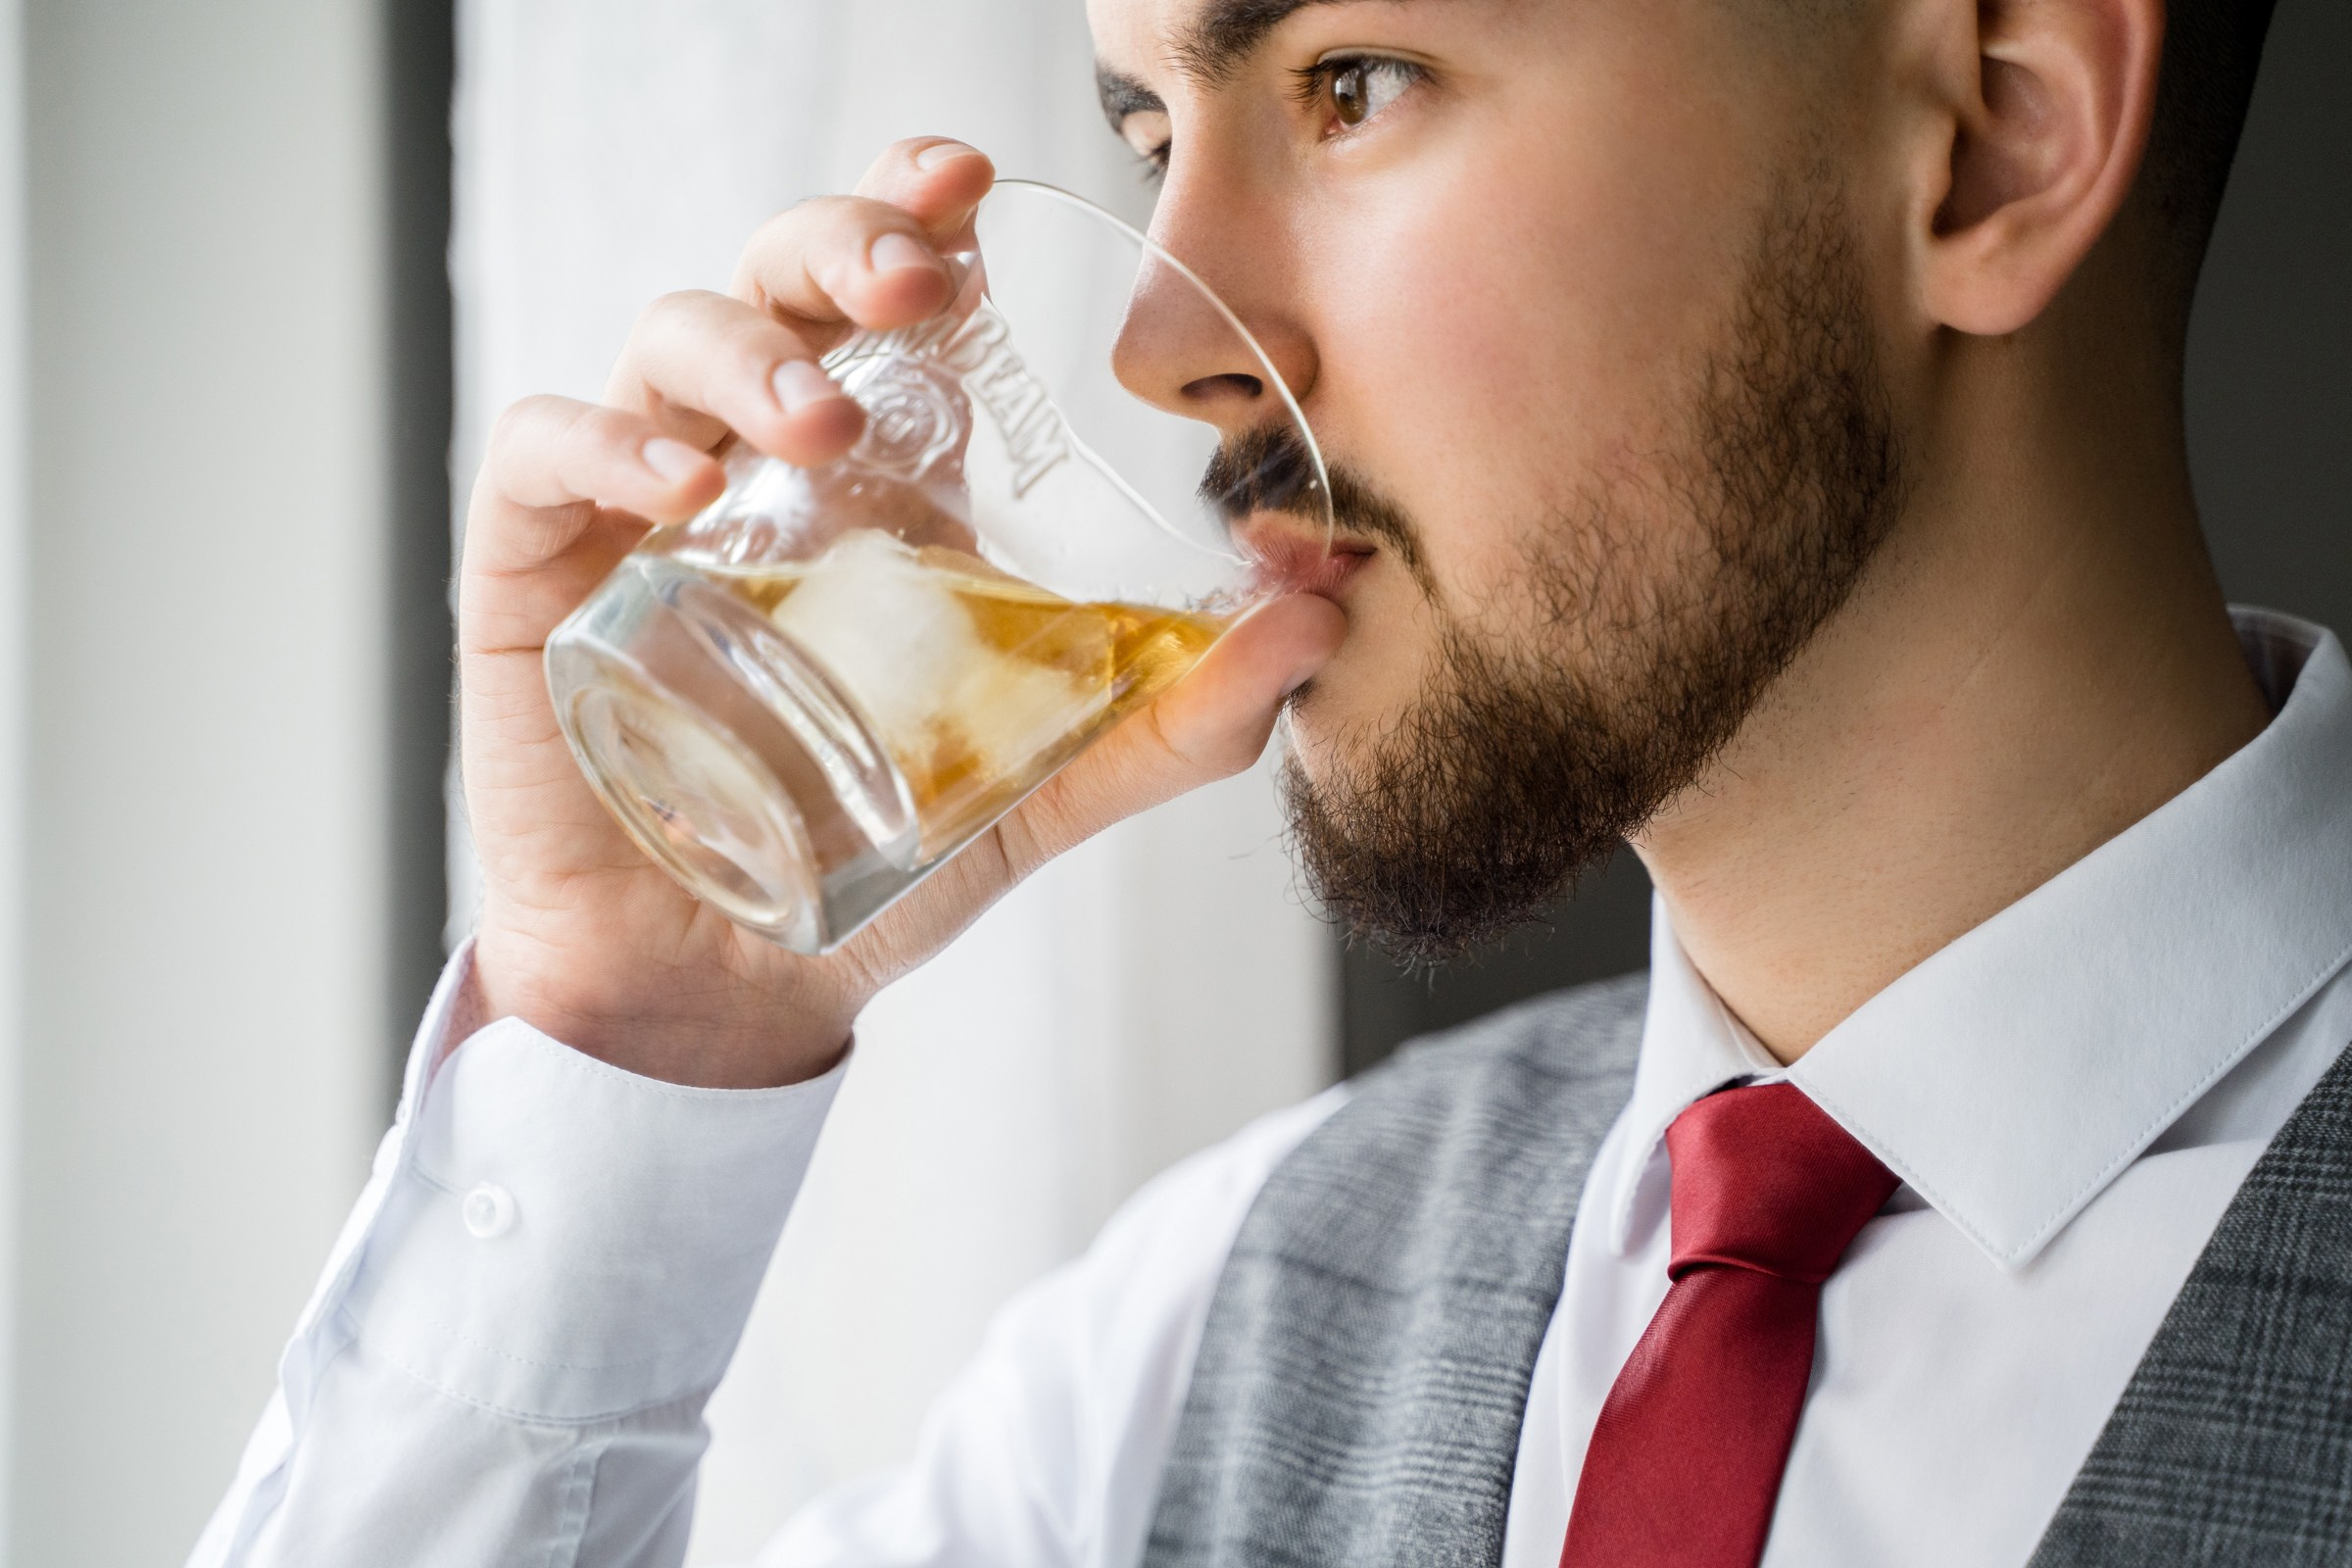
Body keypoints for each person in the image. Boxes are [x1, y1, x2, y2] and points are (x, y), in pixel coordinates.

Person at [190, 0, 2333, 1562]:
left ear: (1993, 138)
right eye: (1148, 137)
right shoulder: (1199, 1340)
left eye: (1351, 82)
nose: (1155, 349)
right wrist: (637, 1033)